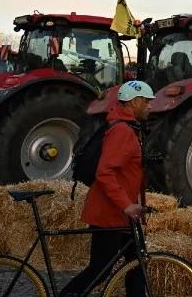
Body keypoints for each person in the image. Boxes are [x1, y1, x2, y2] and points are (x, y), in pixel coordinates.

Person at [60, 80, 154, 297]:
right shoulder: (122, 131)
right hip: (110, 213)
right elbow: (105, 172)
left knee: (137, 264)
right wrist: (127, 205)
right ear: (135, 101)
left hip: (120, 214)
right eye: (147, 101)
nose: (150, 106)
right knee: (100, 271)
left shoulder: (128, 127)